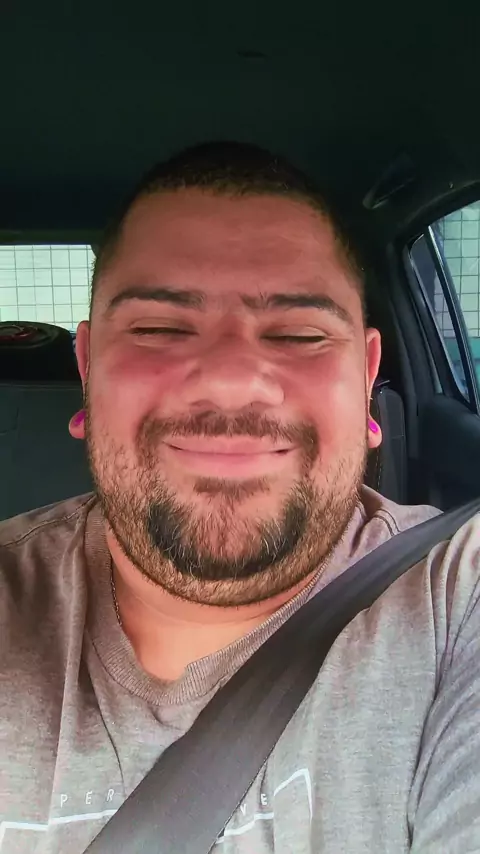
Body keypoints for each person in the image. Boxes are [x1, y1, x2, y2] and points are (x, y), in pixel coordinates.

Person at [1, 142, 479, 854]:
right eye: (159, 328)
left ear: (366, 377)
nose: (231, 380)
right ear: (88, 369)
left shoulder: (459, 595)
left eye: (299, 333)